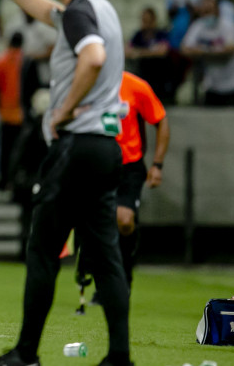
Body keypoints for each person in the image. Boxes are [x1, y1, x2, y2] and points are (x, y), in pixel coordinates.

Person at [0, 0, 131, 366]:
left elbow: (92, 57)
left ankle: (26, 354)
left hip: (75, 145)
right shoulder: (101, 8)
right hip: (105, 146)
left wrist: (64, 110)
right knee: (106, 257)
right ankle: (119, 356)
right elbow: (48, 12)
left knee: (42, 250)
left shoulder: (79, 13)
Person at [77, 71, 169, 299]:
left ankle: (124, 277)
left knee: (124, 221)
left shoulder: (136, 86)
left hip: (129, 166)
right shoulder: (87, 83)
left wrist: (157, 164)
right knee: (99, 225)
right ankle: (104, 283)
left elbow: (160, 120)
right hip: (96, 164)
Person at [181, 0, 234, 106]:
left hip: (232, 84)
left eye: (210, 11)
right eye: (204, 12)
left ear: (217, 11)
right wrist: (209, 51)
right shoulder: (198, 26)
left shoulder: (229, 26)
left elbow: (231, 49)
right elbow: (184, 48)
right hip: (212, 85)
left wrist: (204, 51)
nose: (207, 15)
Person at [0, 32, 24, 190]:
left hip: (6, 113)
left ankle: (3, 181)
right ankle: (17, 182)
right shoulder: (25, 60)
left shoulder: (2, 60)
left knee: (5, 150)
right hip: (22, 113)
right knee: (21, 151)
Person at [125, 7, 173, 103]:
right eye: (144, 20)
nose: (146, 23)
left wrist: (140, 52)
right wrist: (148, 52)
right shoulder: (138, 35)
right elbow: (127, 50)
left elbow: (162, 51)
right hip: (142, 68)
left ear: (154, 20)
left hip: (158, 69)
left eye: (148, 20)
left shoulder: (161, 34)